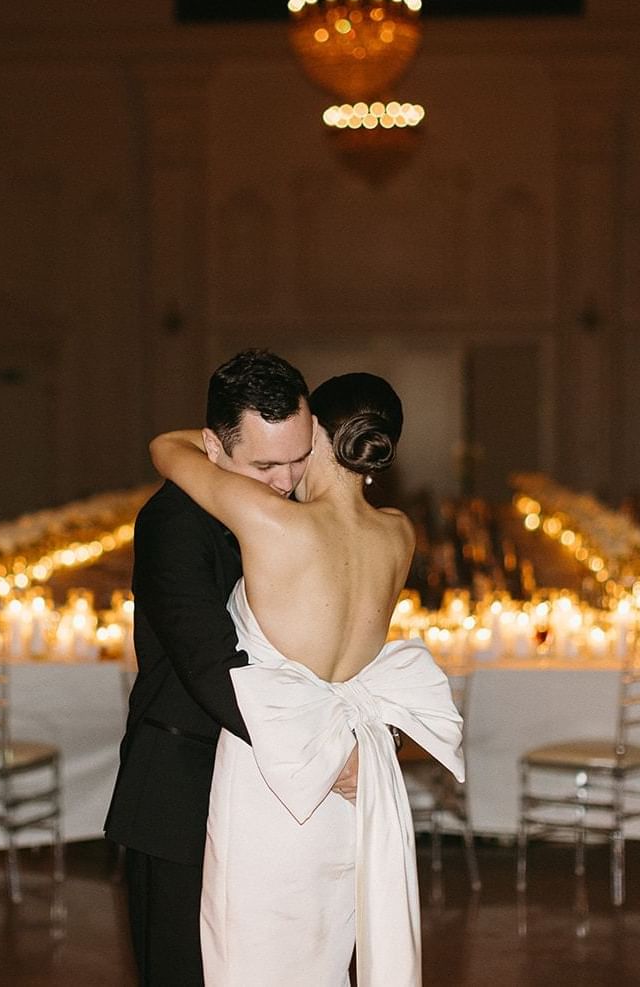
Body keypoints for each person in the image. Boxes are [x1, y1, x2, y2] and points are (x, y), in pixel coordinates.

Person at [149, 372, 465, 987]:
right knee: (326, 954)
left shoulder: (267, 519)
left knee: (254, 959)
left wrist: (229, 437)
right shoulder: (399, 533)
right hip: (348, 786)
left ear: (313, 433)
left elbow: (166, 448)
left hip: (274, 779)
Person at [107, 349, 345, 985]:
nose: (286, 481)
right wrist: (323, 755)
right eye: (265, 463)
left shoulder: (287, 509)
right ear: (211, 448)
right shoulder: (172, 524)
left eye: (299, 458)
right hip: (183, 788)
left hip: (263, 785)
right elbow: (215, 669)